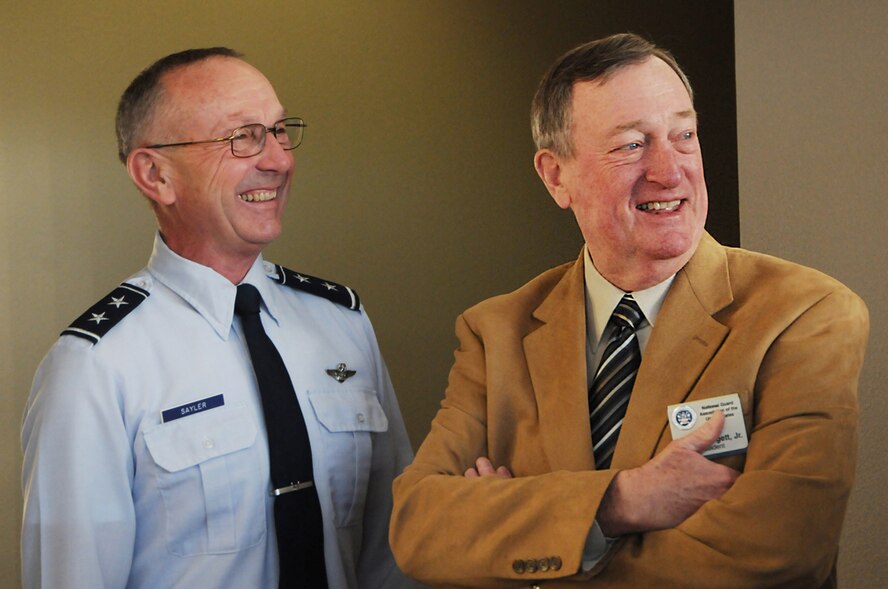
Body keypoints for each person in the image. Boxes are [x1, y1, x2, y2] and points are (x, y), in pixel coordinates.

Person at [389, 33, 869, 588]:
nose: (669, 171)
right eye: (631, 144)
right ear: (555, 176)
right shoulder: (495, 331)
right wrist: (624, 501)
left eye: (684, 135)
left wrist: (525, 534)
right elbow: (419, 528)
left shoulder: (806, 314)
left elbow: (776, 553)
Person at [22, 47, 418, 589]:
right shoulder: (95, 366)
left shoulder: (341, 322)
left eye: (280, 131)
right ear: (156, 174)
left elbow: (392, 552)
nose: (279, 160)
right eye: (243, 137)